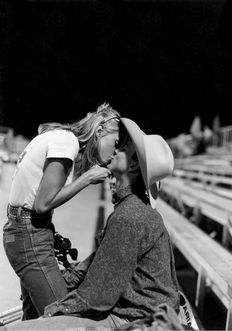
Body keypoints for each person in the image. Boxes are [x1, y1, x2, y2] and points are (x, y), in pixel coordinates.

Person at [3, 117, 181, 331]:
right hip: (134, 312)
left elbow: (98, 295)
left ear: (133, 164)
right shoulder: (131, 209)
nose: (115, 150)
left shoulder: (130, 216)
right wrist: (61, 281)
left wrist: (53, 310)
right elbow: (98, 264)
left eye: (122, 147)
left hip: (133, 319)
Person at [2, 103, 122, 320]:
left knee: (33, 320)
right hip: (29, 236)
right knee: (63, 320)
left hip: (25, 231)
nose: (115, 151)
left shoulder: (60, 137)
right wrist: (87, 178)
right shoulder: (67, 142)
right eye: (115, 143)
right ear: (100, 131)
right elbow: (42, 204)